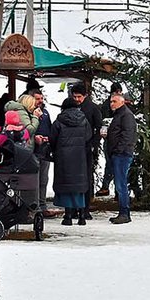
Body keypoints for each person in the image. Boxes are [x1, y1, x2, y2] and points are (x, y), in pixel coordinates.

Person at [51, 85, 96, 225]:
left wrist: (55, 150)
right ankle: (82, 217)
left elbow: (53, 138)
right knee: (79, 185)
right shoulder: (84, 120)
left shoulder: (59, 121)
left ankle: (68, 216)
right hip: (80, 157)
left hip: (64, 158)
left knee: (66, 186)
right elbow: (89, 136)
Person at [104, 88, 138, 223]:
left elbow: (128, 136)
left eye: (114, 101)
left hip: (122, 154)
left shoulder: (126, 115)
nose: (111, 104)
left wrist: (118, 150)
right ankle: (123, 211)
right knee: (120, 184)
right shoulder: (119, 115)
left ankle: (125, 212)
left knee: (121, 184)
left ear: (122, 102)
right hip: (118, 153)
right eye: (111, 101)